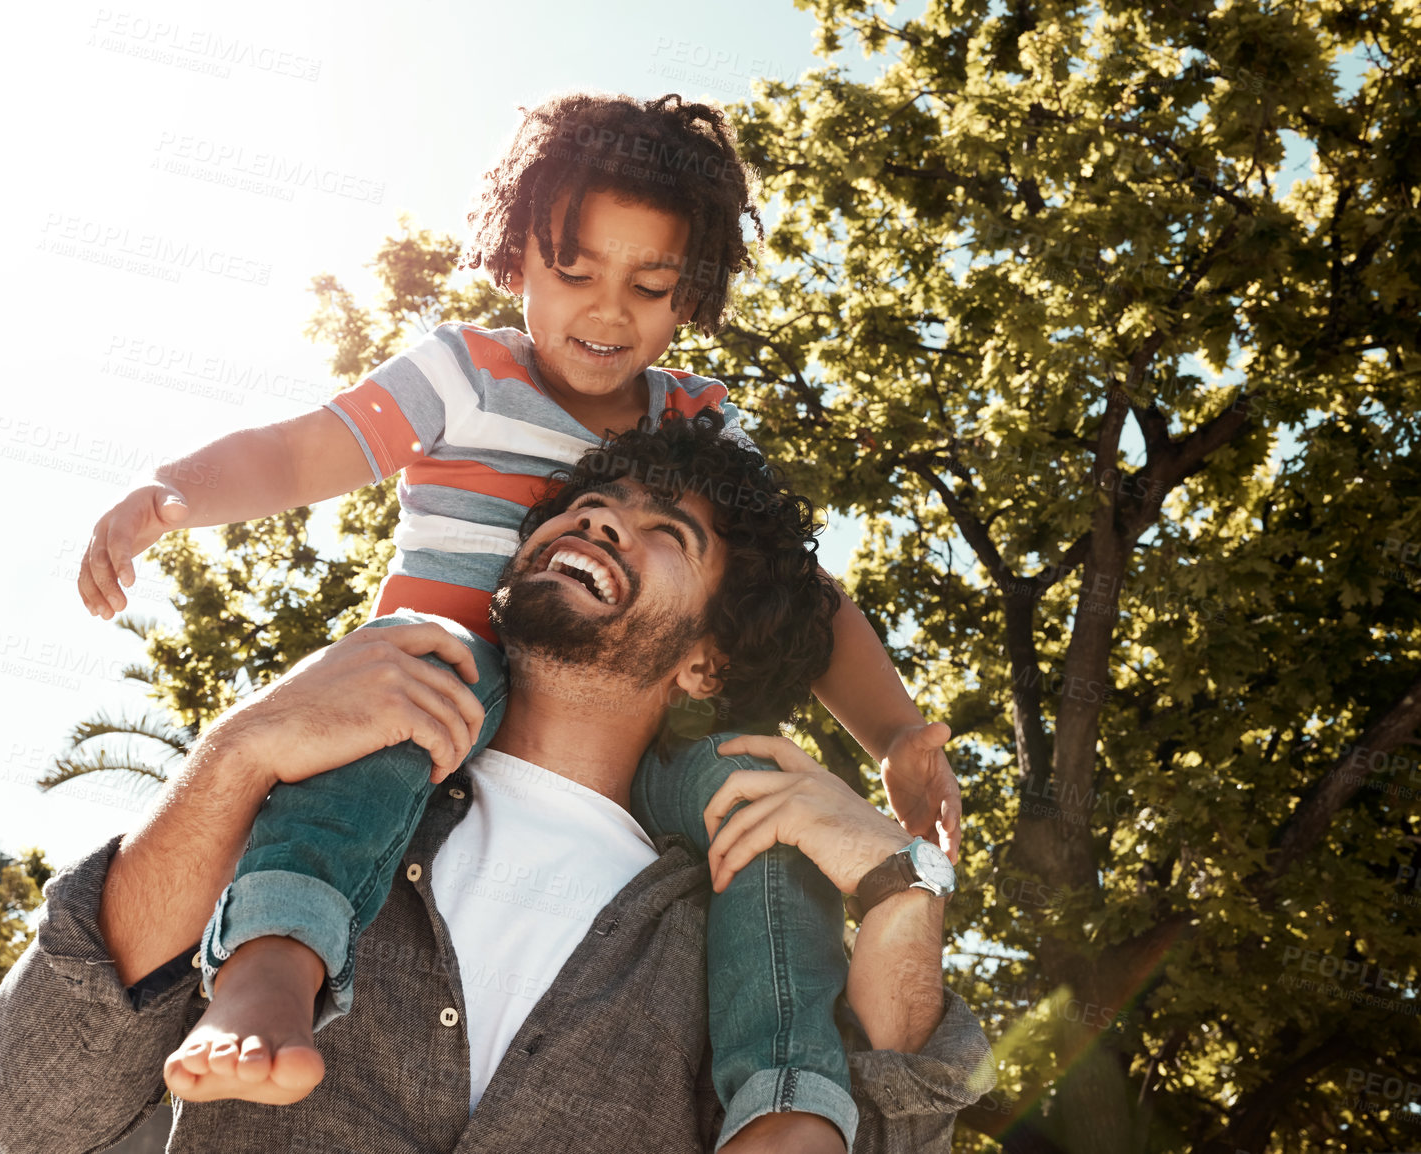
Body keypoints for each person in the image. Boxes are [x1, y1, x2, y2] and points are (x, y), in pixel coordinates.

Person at [76, 92, 961, 1149]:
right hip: (440, 682)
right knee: (392, 710)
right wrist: (171, 493)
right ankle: (273, 965)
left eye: (649, 286)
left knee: (765, 817)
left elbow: (797, 592)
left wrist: (897, 733)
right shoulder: (465, 375)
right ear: (514, 261)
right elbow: (299, 451)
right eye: (573, 271)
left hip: (634, 739)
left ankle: (787, 1104)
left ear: (693, 297)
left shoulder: (697, 419)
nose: (606, 311)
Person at [0, 412, 991, 1154]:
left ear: (707, 665)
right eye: (587, 508)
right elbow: (37, 1107)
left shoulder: (736, 910)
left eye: (663, 534)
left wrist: (901, 889)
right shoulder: (322, 790)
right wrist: (237, 750)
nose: (599, 525)